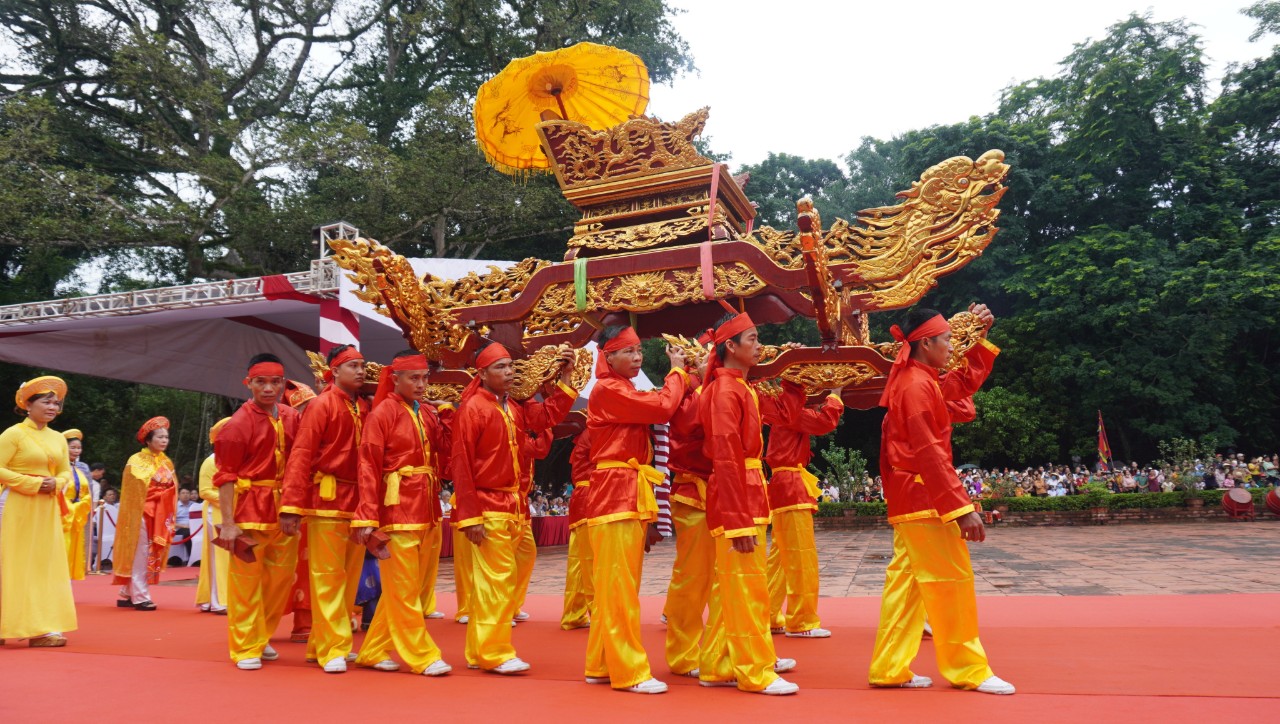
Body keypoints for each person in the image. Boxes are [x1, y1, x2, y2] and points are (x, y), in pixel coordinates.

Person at [867, 306, 1014, 695]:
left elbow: (962, 384)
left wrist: (979, 337)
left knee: (907, 586)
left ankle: (889, 666)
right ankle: (968, 669)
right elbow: (931, 452)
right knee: (951, 582)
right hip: (923, 497)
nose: (952, 346)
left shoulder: (919, 379)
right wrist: (961, 509)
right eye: (947, 339)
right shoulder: (916, 386)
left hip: (912, 495)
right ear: (926, 342)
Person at [451, 341, 576, 674]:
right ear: (482, 374)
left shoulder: (513, 408)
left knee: (497, 580)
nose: (508, 373)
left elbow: (547, 415)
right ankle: (496, 652)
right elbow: (461, 465)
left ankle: (480, 650)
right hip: (488, 505)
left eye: (510, 366)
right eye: (501, 367)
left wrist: (566, 378)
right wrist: (470, 515)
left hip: (514, 505)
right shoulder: (473, 409)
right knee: (498, 580)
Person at [580, 324, 688, 694]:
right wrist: (677, 371)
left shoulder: (622, 389)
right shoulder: (609, 390)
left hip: (626, 493)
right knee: (618, 590)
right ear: (607, 357)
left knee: (616, 586)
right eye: (628, 351)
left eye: (639, 349)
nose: (637, 356)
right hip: (615, 495)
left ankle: (599, 664)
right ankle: (629, 671)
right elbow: (662, 407)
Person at [697, 311, 797, 695]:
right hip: (737, 494)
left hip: (748, 490)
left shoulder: (741, 386)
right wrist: (738, 521)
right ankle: (754, 670)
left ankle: (718, 663)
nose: (760, 346)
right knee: (747, 588)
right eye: (752, 339)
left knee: (733, 587)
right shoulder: (725, 391)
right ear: (730, 347)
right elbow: (724, 455)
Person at [351, 350, 454, 677]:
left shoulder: (425, 413)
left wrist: (448, 415)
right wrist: (367, 517)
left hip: (426, 509)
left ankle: (371, 650)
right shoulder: (382, 414)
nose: (422, 384)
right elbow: (367, 466)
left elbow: (445, 454)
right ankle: (421, 654)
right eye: (414, 378)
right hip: (397, 512)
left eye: (425, 377)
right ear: (395, 379)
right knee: (405, 588)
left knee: (402, 589)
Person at [279, 344, 372, 673]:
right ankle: (333, 646)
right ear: (334, 372)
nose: (361, 371)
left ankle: (325, 642)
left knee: (347, 578)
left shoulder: (362, 407)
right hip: (326, 501)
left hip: (357, 502)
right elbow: (301, 454)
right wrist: (291, 505)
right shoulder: (322, 405)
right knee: (327, 575)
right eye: (353, 366)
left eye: (363, 365)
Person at [214, 354, 303, 670]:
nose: (268, 388)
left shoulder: (292, 418)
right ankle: (244, 647)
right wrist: (227, 524)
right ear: (248, 383)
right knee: (246, 583)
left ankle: (261, 637)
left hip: (286, 512)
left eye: (274, 382)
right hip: (249, 511)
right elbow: (224, 476)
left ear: (283, 383)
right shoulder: (236, 425)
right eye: (260, 382)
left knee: (280, 583)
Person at [0, 376, 77, 647]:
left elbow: (66, 471)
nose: (53, 407)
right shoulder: (14, 434)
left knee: (43, 563)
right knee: (12, 561)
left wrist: (57, 482)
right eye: (46, 401)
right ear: (27, 405)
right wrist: (33, 483)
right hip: (16, 504)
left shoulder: (57, 438)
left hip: (46, 506)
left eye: (56, 403)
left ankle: (42, 628)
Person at [765, 381, 844, 639]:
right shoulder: (790, 412)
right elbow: (824, 422)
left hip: (782, 486)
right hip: (790, 487)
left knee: (780, 558)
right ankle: (801, 620)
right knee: (801, 558)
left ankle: (767, 615)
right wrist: (835, 397)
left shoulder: (782, 411)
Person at [662, 341, 713, 677]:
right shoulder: (685, 387)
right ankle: (683, 654)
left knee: (731, 580)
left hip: (725, 493)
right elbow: (691, 423)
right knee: (692, 578)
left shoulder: (724, 383)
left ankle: (733, 648)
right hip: (693, 493)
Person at [114, 416, 178, 611]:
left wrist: (166, 491)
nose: (164, 440)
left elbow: (173, 485)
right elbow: (138, 489)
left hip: (160, 512)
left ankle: (126, 592)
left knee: (145, 552)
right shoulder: (136, 460)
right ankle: (141, 596)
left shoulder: (166, 461)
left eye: (166, 437)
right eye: (159, 437)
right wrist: (161, 490)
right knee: (141, 553)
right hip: (142, 513)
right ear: (148, 440)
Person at [282, 379, 318, 643]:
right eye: (303, 409)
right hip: (290, 504)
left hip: (316, 502)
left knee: (313, 566)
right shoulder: (285, 433)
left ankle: (310, 622)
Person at [512, 428, 553, 623]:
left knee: (527, 552)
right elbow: (539, 449)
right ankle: (495, 609)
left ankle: (511, 605)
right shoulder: (515, 429)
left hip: (520, 502)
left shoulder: (524, 431)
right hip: (504, 499)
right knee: (502, 559)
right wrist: (546, 427)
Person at [195, 417, 231, 615]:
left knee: (229, 557)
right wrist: (231, 499)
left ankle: (218, 598)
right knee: (219, 556)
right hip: (215, 512)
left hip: (231, 511)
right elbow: (205, 491)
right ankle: (219, 601)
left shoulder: (234, 460)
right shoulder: (211, 461)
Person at [561, 424, 594, 630]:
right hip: (592, 497)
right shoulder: (596, 432)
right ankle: (597, 611)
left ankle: (574, 613)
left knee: (578, 560)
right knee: (591, 561)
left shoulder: (587, 434)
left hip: (582, 498)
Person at [61, 429, 94, 580]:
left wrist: (86, 505)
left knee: (75, 547)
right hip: (62, 513)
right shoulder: (57, 465)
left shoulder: (83, 467)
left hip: (78, 513)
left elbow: (89, 490)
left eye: (78, 447)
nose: (76, 450)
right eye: (72, 447)